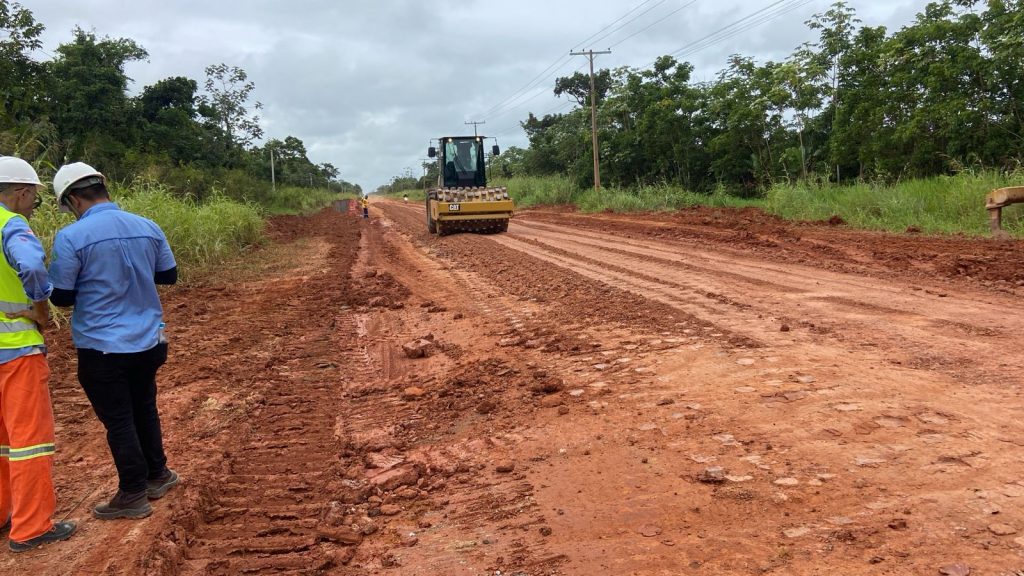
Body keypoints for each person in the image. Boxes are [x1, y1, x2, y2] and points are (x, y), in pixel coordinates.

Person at [48, 162, 178, 520]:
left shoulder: (72, 237)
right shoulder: (147, 226)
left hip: (103, 347)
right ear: (102, 188)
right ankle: (158, 475)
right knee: (144, 409)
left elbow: (61, 297)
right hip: (149, 341)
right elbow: (168, 275)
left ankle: (132, 493)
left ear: (73, 199)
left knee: (119, 420)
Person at [0, 157, 76, 551]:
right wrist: (40, 309)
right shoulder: (10, 225)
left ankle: (2, 513)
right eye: (33, 199)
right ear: (22, 192)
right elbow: (30, 265)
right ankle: (30, 527)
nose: (32, 206)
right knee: (29, 439)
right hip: (15, 353)